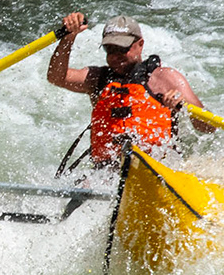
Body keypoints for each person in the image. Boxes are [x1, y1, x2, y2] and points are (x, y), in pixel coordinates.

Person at [47, 12, 213, 166]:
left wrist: (183, 107)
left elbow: (209, 127)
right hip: (106, 173)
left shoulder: (166, 78)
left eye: (122, 49)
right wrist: (69, 37)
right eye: (110, 49)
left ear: (140, 44)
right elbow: (56, 78)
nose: (115, 55)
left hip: (158, 170)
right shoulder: (97, 78)